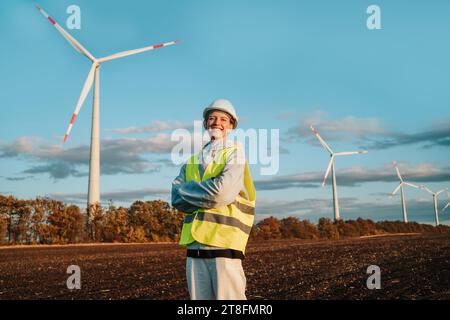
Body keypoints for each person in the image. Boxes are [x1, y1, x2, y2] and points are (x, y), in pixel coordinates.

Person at [171, 99, 256, 300]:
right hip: (194, 246)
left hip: (224, 243)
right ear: (206, 124)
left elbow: (221, 193)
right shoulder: (192, 160)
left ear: (232, 125)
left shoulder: (235, 153)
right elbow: (175, 199)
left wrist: (187, 190)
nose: (217, 122)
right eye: (212, 118)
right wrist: (206, 189)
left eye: (223, 119)